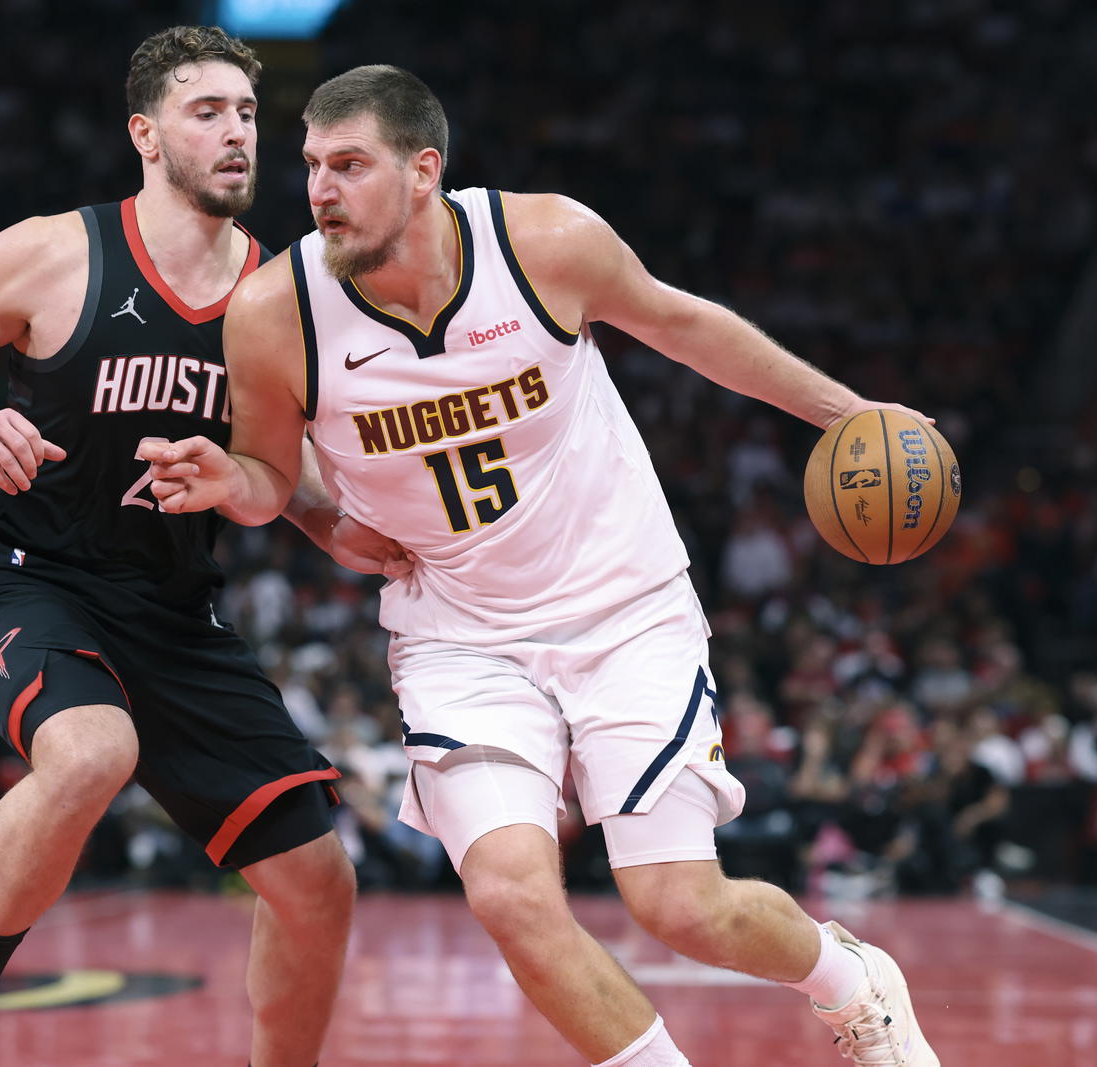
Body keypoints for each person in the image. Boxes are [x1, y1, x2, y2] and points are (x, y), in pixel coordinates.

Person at [143, 65, 939, 1067]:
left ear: (423, 170)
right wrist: (242, 486)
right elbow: (269, 473)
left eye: (348, 165)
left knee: (679, 903)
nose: (318, 191)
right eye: (310, 166)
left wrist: (848, 413)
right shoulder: (274, 310)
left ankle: (847, 978)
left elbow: (685, 326)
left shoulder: (543, 242)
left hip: (623, 608)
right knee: (512, 895)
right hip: (458, 632)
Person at [0, 28, 404, 1067]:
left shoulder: (278, 296)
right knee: (94, 749)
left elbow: (289, 483)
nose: (237, 131)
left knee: (318, 882)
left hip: (175, 608)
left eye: (246, 112)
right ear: (145, 133)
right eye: (208, 111)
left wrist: (364, 536)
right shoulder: (54, 252)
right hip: (30, 574)